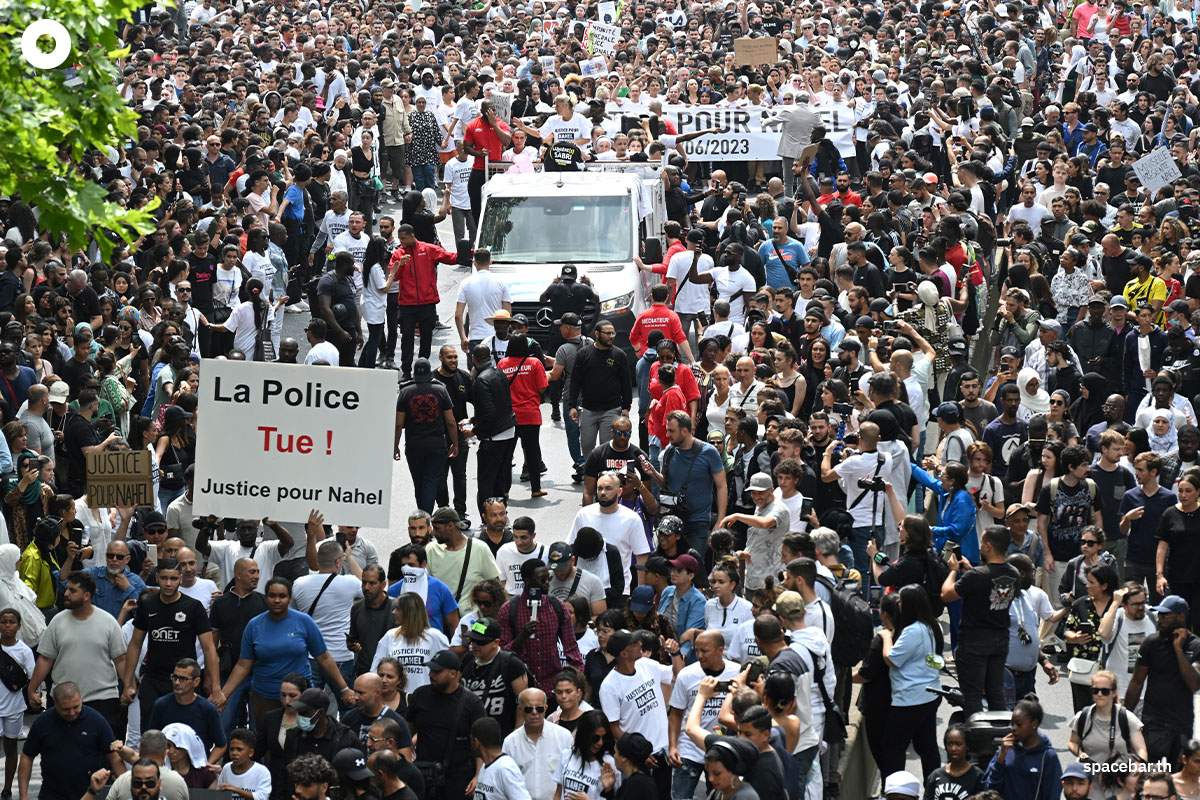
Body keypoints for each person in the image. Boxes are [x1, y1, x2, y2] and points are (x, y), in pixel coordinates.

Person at [220, 576, 357, 732]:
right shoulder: (254, 625)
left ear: (289, 598)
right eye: (272, 596)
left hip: (300, 697)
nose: (277, 600)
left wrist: (344, 688)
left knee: (301, 740)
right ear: (266, 597)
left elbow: (324, 658)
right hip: (265, 696)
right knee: (267, 746)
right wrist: (223, 695)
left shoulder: (304, 622)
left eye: (282, 596)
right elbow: (243, 665)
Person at [123, 557, 223, 732]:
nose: (168, 583)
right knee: (150, 735)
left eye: (174, 578)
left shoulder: (193, 607)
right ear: (157, 578)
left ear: (180, 579)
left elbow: (209, 649)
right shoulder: (147, 604)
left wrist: (216, 688)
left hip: (185, 682)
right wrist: (128, 683)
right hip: (153, 680)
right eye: (164, 578)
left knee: (185, 734)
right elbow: (135, 644)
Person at [26, 571, 128, 739]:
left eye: (72, 591)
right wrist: (32, 689)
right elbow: (45, 659)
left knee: (105, 754)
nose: (66, 594)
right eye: (67, 589)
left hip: (102, 700)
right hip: (62, 700)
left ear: (87, 595)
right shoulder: (57, 622)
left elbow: (121, 660)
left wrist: (128, 687)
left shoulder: (108, 622)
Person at [941, 526, 1020, 716]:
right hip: (1000, 641)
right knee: (996, 694)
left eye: (982, 542)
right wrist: (971, 570)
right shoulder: (1014, 574)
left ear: (988, 546)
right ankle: (997, 738)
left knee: (973, 696)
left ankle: (977, 739)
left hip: (974, 643)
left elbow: (946, 594)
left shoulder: (976, 576)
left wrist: (953, 571)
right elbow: (991, 581)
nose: (980, 546)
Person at [1122, 595, 1200, 765]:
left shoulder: (1195, 645)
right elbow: (1136, 682)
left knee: (1177, 778)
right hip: (1153, 720)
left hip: (1182, 722)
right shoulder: (1151, 643)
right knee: (1147, 776)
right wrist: (1124, 717)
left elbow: (1194, 684)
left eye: (1166, 616)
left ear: (1181, 617)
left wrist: (1178, 650)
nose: (1160, 619)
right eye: (1159, 615)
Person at [18, 681, 124, 800]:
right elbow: (27, 756)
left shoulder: (96, 721)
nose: (72, 713)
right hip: (52, 794)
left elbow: (114, 757)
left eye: (76, 707)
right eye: (66, 709)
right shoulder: (43, 723)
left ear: (81, 700)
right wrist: (23, 795)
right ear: (55, 704)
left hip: (91, 792)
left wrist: (127, 790)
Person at [405, 649, 486, 800]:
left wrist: (478, 777)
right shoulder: (420, 695)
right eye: (430, 670)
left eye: (437, 671)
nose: (431, 675)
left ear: (453, 674)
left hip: (459, 777)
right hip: (425, 773)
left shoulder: (471, 702)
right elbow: (407, 732)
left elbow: (480, 743)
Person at [499, 559, 583, 693]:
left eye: (548, 578)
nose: (547, 583)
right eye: (542, 580)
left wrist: (579, 677)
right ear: (527, 581)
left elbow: (571, 648)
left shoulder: (557, 606)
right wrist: (522, 636)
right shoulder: (509, 610)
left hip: (552, 687)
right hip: (521, 688)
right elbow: (502, 654)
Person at [395, 358, 459, 514]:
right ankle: (425, 519)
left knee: (419, 483)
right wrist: (455, 443)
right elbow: (450, 421)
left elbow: (398, 424)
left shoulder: (405, 392)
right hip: (436, 444)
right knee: (431, 481)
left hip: (413, 445)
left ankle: (423, 518)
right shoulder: (441, 390)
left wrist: (395, 445)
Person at [981, 695, 1063, 800]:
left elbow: (1052, 794)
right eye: (1012, 724)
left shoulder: (1047, 756)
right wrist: (1000, 760)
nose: (1014, 728)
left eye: (1019, 725)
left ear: (1034, 724)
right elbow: (988, 790)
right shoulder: (1005, 750)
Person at [460, 616, 529, 736]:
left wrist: (517, 732)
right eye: (472, 640)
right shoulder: (467, 660)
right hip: (469, 733)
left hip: (501, 733)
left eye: (480, 642)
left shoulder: (511, 663)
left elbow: (523, 701)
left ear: (496, 642)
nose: (475, 645)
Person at [502, 687, 573, 800]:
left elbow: (572, 776)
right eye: (528, 709)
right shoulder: (510, 742)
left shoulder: (564, 737)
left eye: (539, 709)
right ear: (520, 710)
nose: (534, 712)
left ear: (546, 709)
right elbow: (505, 779)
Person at [1067, 669, 1148, 765]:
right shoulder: (1083, 716)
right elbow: (1072, 742)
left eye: (1105, 691)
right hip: (1090, 774)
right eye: (1095, 691)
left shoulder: (1126, 718)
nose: (1099, 694)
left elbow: (1141, 749)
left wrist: (1138, 769)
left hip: (1117, 775)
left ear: (1114, 693)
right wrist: (1080, 753)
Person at [148, 659, 226, 757]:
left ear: (196, 682)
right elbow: (152, 740)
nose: (176, 682)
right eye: (174, 677)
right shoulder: (161, 705)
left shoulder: (207, 709)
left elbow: (221, 745)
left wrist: (206, 766)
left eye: (183, 679)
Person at [216, 728, 273, 800]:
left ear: (250, 752)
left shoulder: (262, 771)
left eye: (239, 749)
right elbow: (218, 792)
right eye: (232, 749)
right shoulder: (226, 768)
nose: (234, 753)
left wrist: (235, 789)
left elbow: (261, 797)